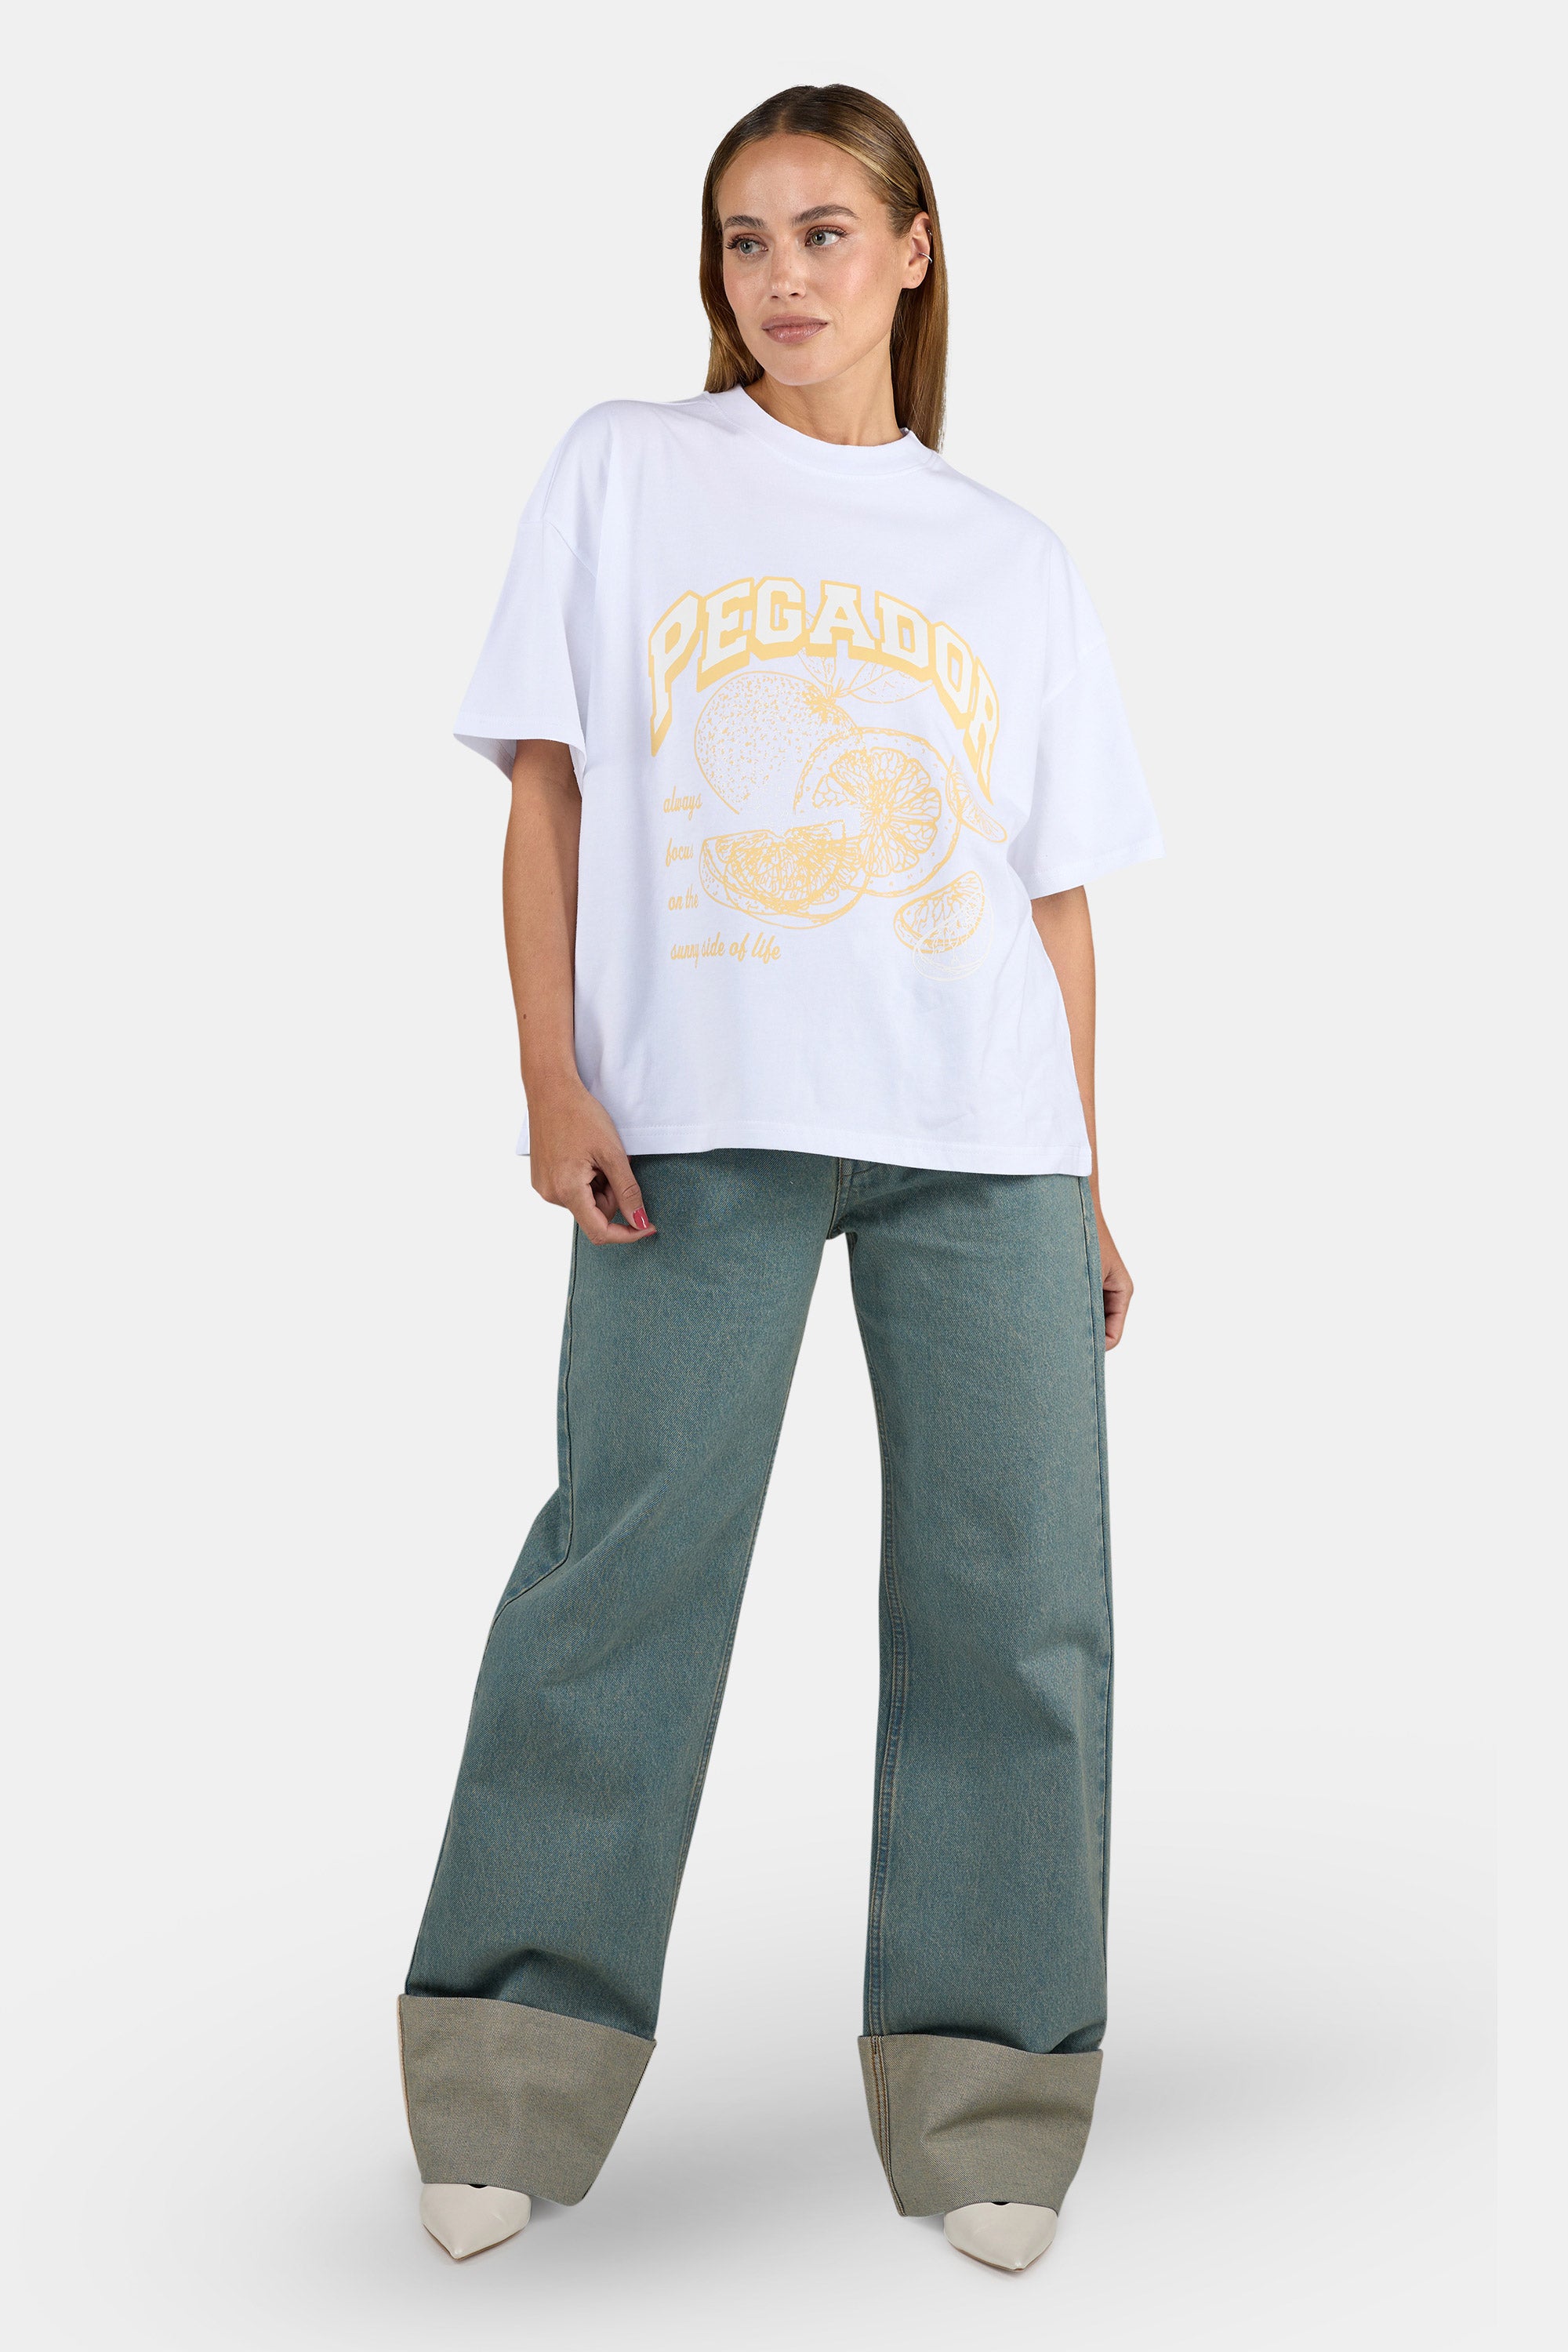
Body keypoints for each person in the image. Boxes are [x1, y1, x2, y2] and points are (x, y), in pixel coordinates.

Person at [399, 82, 1162, 2276]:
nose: (783, 278)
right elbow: (546, 795)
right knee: (622, 1572)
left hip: (985, 1139)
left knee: (1019, 1602)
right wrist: (552, 1076)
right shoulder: (628, 469)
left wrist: (1090, 1180)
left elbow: (1051, 902)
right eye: (745, 240)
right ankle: (512, 2069)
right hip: (695, 1119)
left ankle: (990, 2092)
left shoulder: (1012, 557)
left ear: (913, 252)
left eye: (827, 233)